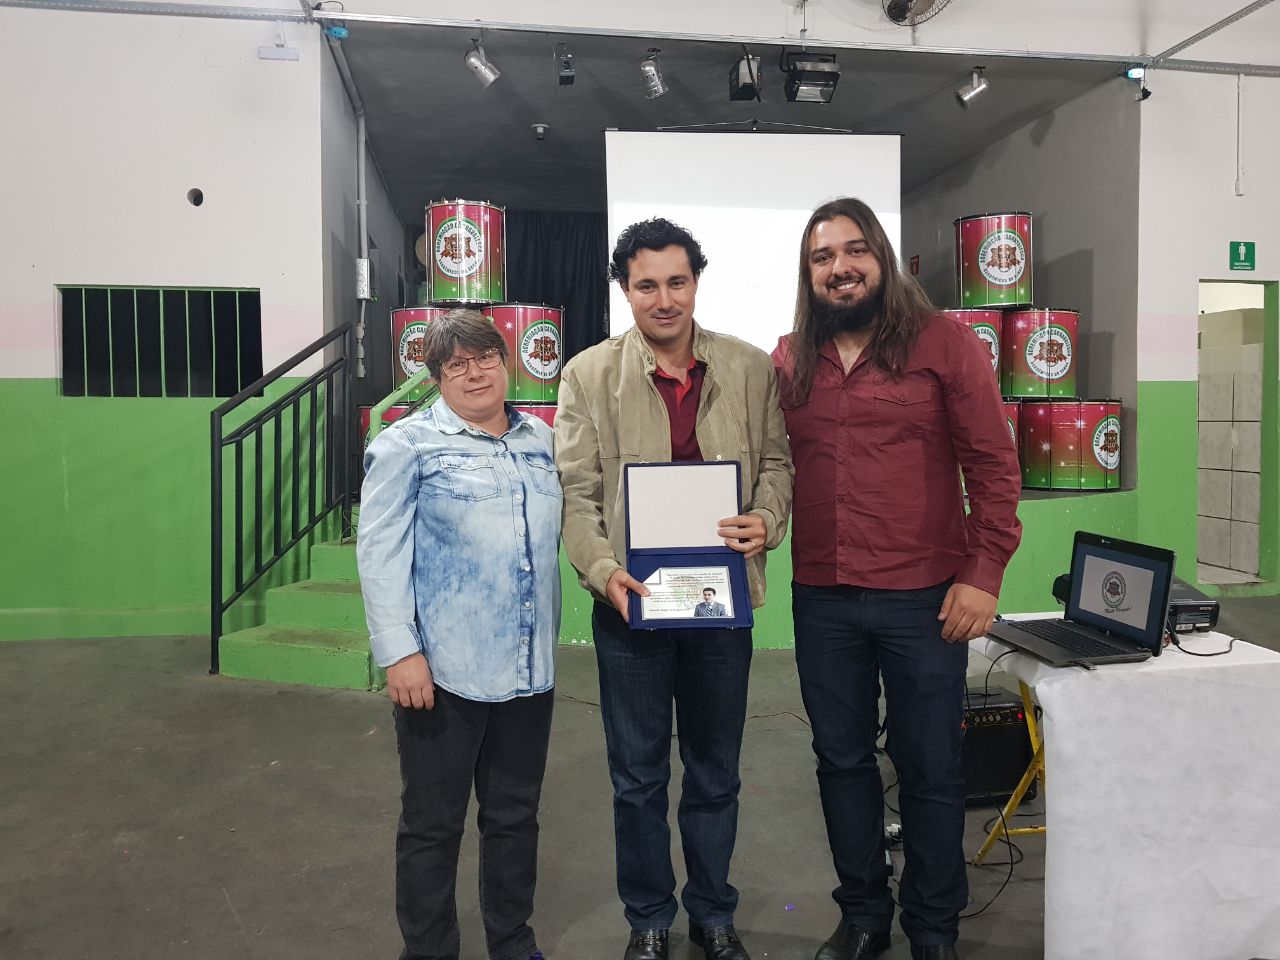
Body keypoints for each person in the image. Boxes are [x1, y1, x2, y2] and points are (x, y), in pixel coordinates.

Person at [771, 198, 1022, 960]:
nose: (840, 268)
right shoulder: (789, 359)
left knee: (931, 767)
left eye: (854, 251)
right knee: (841, 762)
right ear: (809, 274)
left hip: (926, 598)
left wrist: (984, 574)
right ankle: (865, 916)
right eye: (823, 258)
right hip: (824, 598)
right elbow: (763, 462)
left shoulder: (944, 344)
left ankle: (933, 928)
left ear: (879, 257)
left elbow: (993, 465)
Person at [555, 218, 793, 960]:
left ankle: (713, 914)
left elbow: (778, 466)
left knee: (716, 773)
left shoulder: (750, 369)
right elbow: (576, 496)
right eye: (647, 285)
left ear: (696, 282)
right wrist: (604, 573)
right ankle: (650, 920)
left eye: (677, 282)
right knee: (637, 778)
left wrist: (766, 519)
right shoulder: (587, 376)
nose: (664, 299)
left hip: (721, 610)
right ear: (625, 290)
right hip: (630, 608)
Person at [357, 308, 560, 960]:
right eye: (456, 365)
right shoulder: (407, 445)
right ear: (437, 378)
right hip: (443, 672)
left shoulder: (541, 440)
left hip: (528, 670)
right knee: (432, 824)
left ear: (506, 363)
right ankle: (429, 951)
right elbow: (379, 549)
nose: (474, 373)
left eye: (485, 358)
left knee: (514, 819)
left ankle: (513, 941)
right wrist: (400, 651)